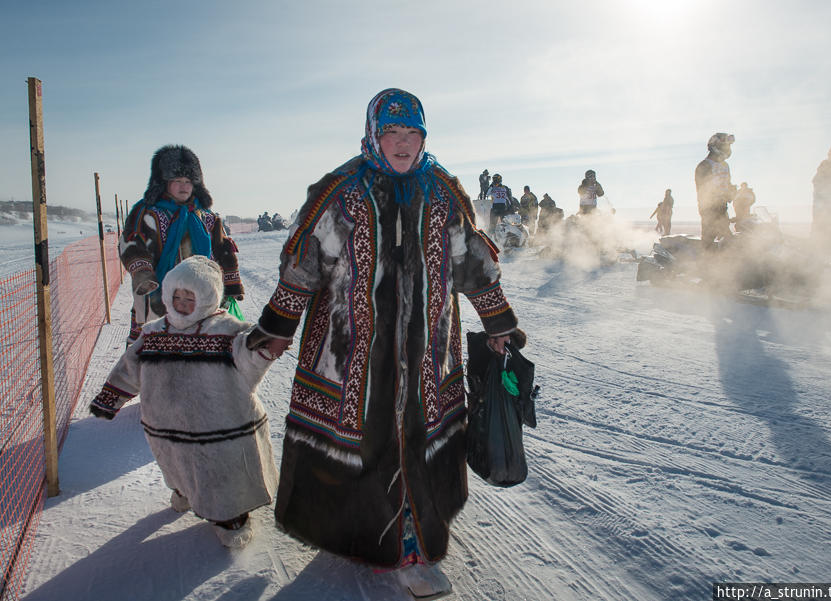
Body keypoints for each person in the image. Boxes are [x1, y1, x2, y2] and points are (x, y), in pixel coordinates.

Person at [248, 88, 524, 597]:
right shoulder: (342, 191)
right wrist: (277, 328)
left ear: (424, 137)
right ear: (374, 134)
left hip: (427, 353)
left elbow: (474, 266)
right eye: (392, 133)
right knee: (368, 441)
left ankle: (411, 546)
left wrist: (498, 323)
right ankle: (377, 538)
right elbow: (302, 265)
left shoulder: (443, 192)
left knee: (416, 438)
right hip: (351, 354)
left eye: (412, 133)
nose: (402, 144)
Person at [88, 256, 279, 548]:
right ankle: (185, 492)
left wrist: (263, 345)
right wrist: (110, 399)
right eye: (176, 295)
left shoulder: (227, 331)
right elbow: (130, 367)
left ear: (208, 297)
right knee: (176, 463)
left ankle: (231, 516)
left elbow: (248, 356)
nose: (181, 303)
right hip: (166, 425)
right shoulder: (154, 332)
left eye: (190, 297)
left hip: (218, 425)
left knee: (220, 470)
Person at [119, 145, 244, 344]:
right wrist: (143, 273)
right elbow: (131, 243)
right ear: (163, 183)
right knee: (151, 355)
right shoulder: (146, 213)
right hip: (156, 299)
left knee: (196, 356)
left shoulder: (207, 217)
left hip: (200, 301)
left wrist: (231, 283)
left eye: (188, 181)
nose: (184, 186)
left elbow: (223, 249)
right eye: (177, 181)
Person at [695, 133, 737, 250]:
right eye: (725, 146)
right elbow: (703, 191)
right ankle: (706, 265)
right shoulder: (704, 166)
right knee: (709, 241)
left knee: (727, 241)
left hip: (723, 208)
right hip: (710, 210)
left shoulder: (725, 165)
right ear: (715, 147)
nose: (728, 149)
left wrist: (731, 192)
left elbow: (726, 184)